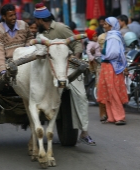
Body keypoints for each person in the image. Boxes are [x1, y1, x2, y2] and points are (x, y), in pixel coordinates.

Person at [33, 2, 96, 145]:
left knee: (80, 95)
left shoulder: (60, 28)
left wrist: (76, 59)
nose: (35, 22)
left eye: (36, 20)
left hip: (69, 67)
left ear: (40, 20)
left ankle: (84, 132)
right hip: (50, 70)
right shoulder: (40, 35)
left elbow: (77, 44)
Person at [0, 4, 33, 79]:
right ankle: (1, 79)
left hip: (23, 58)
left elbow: (30, 38)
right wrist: (3, 70)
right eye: (10, 16)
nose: (14, 17)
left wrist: (27, 48)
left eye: (14, 14)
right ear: (4, 17)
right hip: (7, 60)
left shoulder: (23, 24)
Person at [97, 17, 128, 125]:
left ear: (111, 25)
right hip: (109, 66)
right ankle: (112, 117)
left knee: (113, 91)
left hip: (111, 66)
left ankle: (120, 117)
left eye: (106, 24)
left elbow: (113, 53)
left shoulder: (113, 37)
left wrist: (103, 52)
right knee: (108, 91)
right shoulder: (111, 35)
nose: (104, 25)